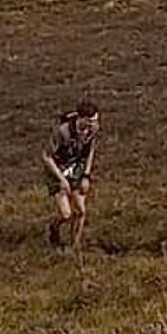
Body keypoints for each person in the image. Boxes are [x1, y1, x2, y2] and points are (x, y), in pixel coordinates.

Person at [41, 105, 100, 251]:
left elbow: (90, 151)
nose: (94, 124)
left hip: (75, 169)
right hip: (58, 170)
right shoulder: (62, 132)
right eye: (90, 121)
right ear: (81, 119)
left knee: (80, 211)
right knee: (66, 214)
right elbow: (46, 157)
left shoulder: (92, 131)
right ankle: (54, 228)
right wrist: (61, 179)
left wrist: (86, 175)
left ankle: (74, 246)